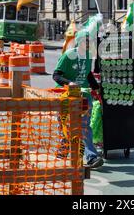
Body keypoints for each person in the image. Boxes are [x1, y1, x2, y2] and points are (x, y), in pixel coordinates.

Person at [53, 31, 104, 169]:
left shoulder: (88, 56)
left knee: (84, 126)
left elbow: (87, 74)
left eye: (90, 42)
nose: (88, 44)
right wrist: (70, 83)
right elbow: (56, 75)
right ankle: (64, 149)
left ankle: (91, 157)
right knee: (65, 125)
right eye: (86, 41)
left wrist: (96, 88)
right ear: (79, 41)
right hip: (66, 96)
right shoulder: (69, 55)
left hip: (83, 97)